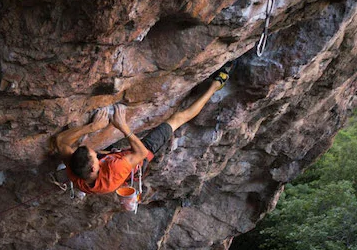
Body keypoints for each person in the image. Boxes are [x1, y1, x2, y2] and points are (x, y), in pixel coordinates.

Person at [54, 61, 235, 194]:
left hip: (113, 157)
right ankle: (215, 85)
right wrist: (124, 128)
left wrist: (91, 127)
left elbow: (60, 140)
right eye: (94, 155)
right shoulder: (114, 170)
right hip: (140, 159)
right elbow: (140, 153)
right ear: (94, 168)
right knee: (177, 118)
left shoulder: (75, 171)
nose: (94, 152)